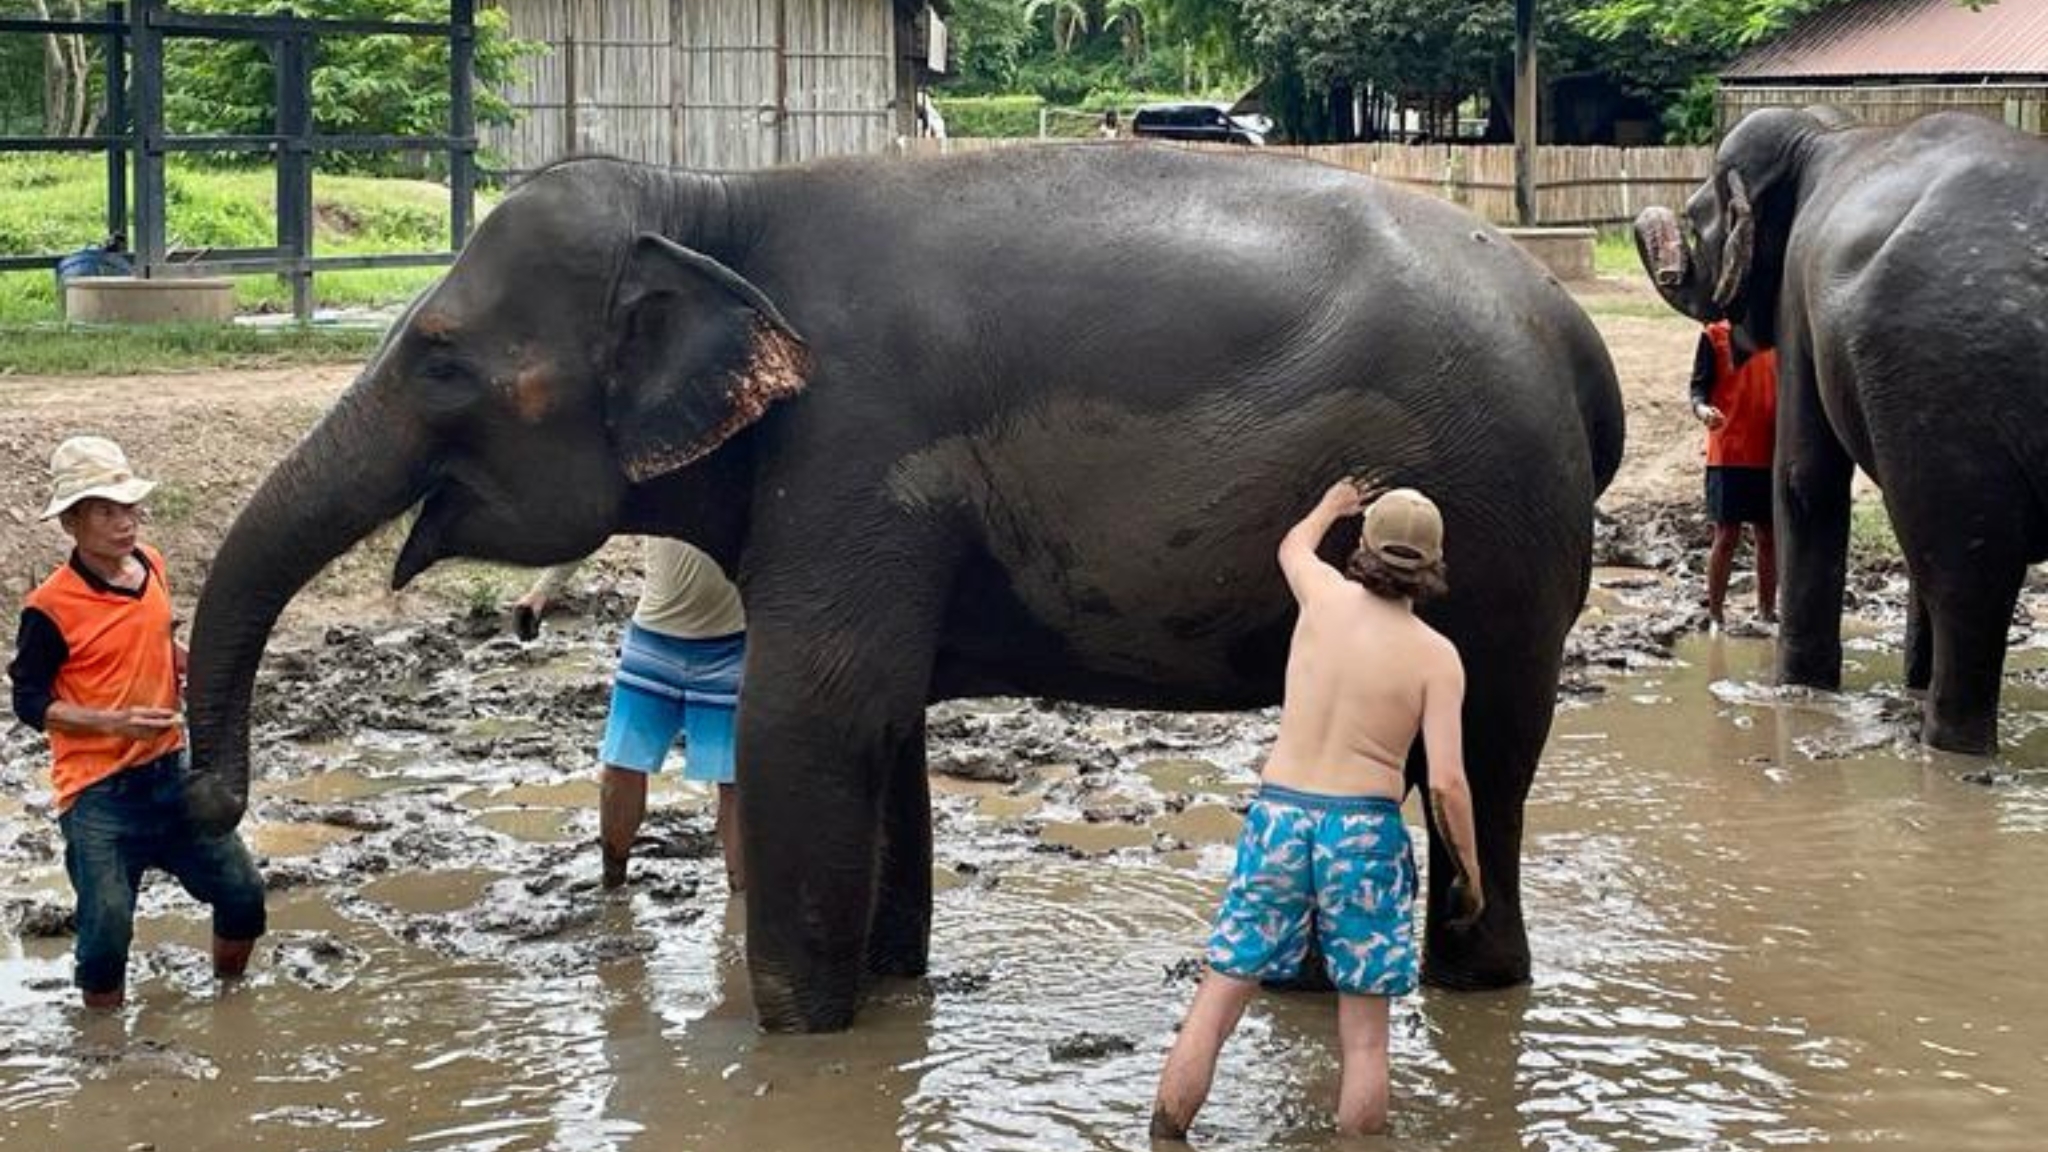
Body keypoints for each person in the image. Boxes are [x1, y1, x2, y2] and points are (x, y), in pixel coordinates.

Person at [1151, 482, 1483, 1140]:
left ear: (1362, 550)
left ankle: (1163, 1137)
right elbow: (1446, 783)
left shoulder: (1321, 597)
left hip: (1278, 818)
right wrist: (1470, 874)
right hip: (1362, 831)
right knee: (1364, 1042)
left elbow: (1291, 546)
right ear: (1436, 563)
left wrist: (1332, 505)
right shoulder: (1436, 659)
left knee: (1215, 1006)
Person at [7, 436, 267, 1009]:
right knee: (105, 935)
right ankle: (102, 1050)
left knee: (244, 895)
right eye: (106, 510)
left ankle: (233, 1001)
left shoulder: (150, 564)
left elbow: (157, 635)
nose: (124, 523)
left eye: (128, 507)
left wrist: (185, 664)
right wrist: (115, 723)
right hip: (98, 797)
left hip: (168, 775)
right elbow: (28, 702)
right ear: (72, 522)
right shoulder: (49, 610)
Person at [515, 537, 747, 893]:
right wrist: (542, 591)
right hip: (653, 641)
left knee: (735, 782)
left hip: (732, 647)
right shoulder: (649, 478)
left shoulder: (753, 478)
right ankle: (612, 886)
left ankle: (741, 910)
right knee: (620, 768)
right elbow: (599, 516)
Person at [1691, 318, 1779, 628]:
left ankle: (1767, 611)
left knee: (1768, 535)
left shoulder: (1777, 333)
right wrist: (1703, 410)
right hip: (1728, 448)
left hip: (1771, 449)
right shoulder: (1715, 334)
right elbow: (1698, 387)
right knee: (1726, 535)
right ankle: (1715, 614)